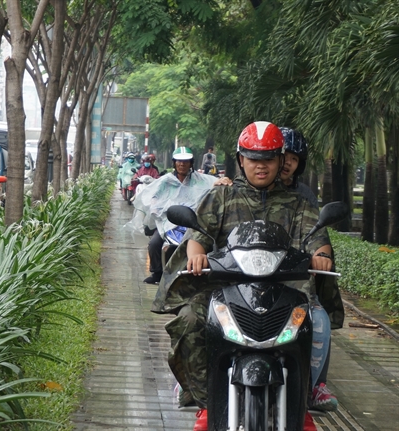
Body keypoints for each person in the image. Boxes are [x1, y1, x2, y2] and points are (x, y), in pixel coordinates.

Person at [151, 121, 333, 431]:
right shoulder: (220, 197)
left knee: (311, 325)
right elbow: (200, 235)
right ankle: (207, 401)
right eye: (253, 159)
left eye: (269, 159)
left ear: (280, 161)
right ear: (241, 160)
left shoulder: (299, 204)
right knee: (189, 320)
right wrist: (196, 254)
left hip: (284, 292)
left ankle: (300, 403)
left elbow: (317, 238)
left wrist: (323, 256)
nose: (261, 167)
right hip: (224, 291)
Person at [280, 127, 341, 412]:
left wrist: (320, 255)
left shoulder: (303, 198)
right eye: (282, 155)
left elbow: (316, 233)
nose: (286, 162)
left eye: (294, 158)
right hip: (247, 273)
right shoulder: (237, 193)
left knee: (318, 316)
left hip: (293, 275)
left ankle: (315, 383)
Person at [139, 147, 228, 285]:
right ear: (174, 163)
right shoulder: (165, 181)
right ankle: (157, 273)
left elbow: (213, 183)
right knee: (154, 244)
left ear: (191, 163)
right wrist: (157, 206)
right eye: (179, 161)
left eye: (186, 161)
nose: (182, 164)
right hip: (169, 222)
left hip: (192, 221)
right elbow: (152, 196)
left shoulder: (200, 179)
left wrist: (223, 181)